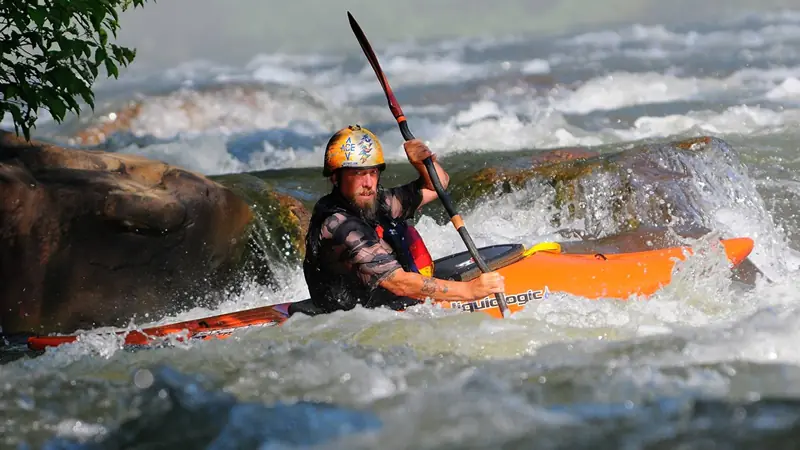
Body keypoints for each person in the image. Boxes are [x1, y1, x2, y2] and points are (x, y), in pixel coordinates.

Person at [302, 124, 505, 314]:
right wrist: (469, 291)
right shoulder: (339, 224)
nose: (368, 183)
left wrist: (423, 162)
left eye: (372, 173)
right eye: (358, 174)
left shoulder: (374, 201)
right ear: (335, 178)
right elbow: (398, 282)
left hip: (380, 304)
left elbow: (436, 186)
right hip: (351, 320)